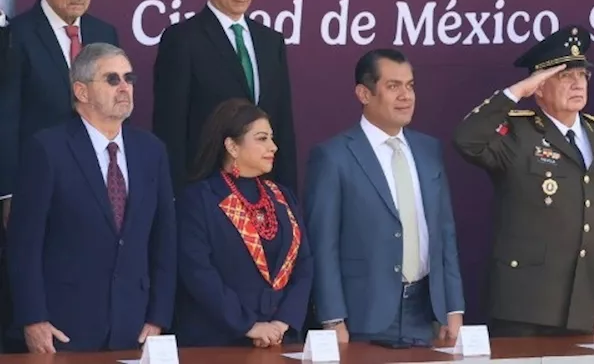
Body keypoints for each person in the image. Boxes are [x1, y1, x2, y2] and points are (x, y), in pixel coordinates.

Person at [6, 43, 176, 352]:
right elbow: (24, 245)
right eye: (112, 79)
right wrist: (33, 319)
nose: (125, 87)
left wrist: (159, 317)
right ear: (81, 91)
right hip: (65, 329)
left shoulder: (152, 151)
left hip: (135, 329)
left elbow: (164, 240)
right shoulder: (47, 149)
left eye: (129, 78)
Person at [454, 27, 594, 337]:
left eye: (582, 75)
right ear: (539, 87)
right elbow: (467, 140)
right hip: (524, 305)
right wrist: (516, 92)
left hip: (582, 305)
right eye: (564, 76)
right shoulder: (519, 132)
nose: (577, 83)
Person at [305, 49, 464, 346]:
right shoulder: (333, 156)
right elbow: (322, 246)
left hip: (426, 313)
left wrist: (453, 307)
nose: (406, 95)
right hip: (363, 317)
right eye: (393, 86)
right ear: (364, 94)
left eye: (410, 85)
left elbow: (445, 233)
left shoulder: (429, 151)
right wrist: (332, 319)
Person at [153, 0, 298, 190]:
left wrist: (287, 195)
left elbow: (282, 123)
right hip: (206, 191)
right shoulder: (183, 40)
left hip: (264, 192)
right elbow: (170, 127)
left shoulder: (270, 41)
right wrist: (176, 195)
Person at [174, 99, 313, 347]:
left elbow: (304, 264)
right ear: (232, 146)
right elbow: (198, 273)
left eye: (271, 138)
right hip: (218, 341)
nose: (273, 147)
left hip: (279, 339)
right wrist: (248, 325)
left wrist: (282, 323)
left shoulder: (282, 197)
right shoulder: (199, 199)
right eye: (262, 139)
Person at [0, 0, 119, 204]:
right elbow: (6, 118)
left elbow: (115, 106)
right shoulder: (15, 35)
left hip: (99, 183)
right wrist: (7, 192)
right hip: (36, 183)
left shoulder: (105, 34)